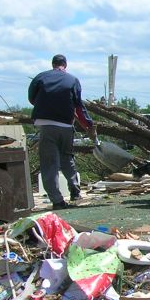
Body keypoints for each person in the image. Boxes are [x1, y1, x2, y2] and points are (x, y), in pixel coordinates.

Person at [28, 54, 96, 210]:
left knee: (49, 163)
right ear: (65, 65)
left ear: (52, 64)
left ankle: (57, 201)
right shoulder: (72, 80)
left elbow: (32, 99)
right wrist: (89, 125)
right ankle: (75, 192)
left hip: (45, 124)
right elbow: (79, 107)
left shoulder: (40, 77)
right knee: (67, 157)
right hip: (66, 125)